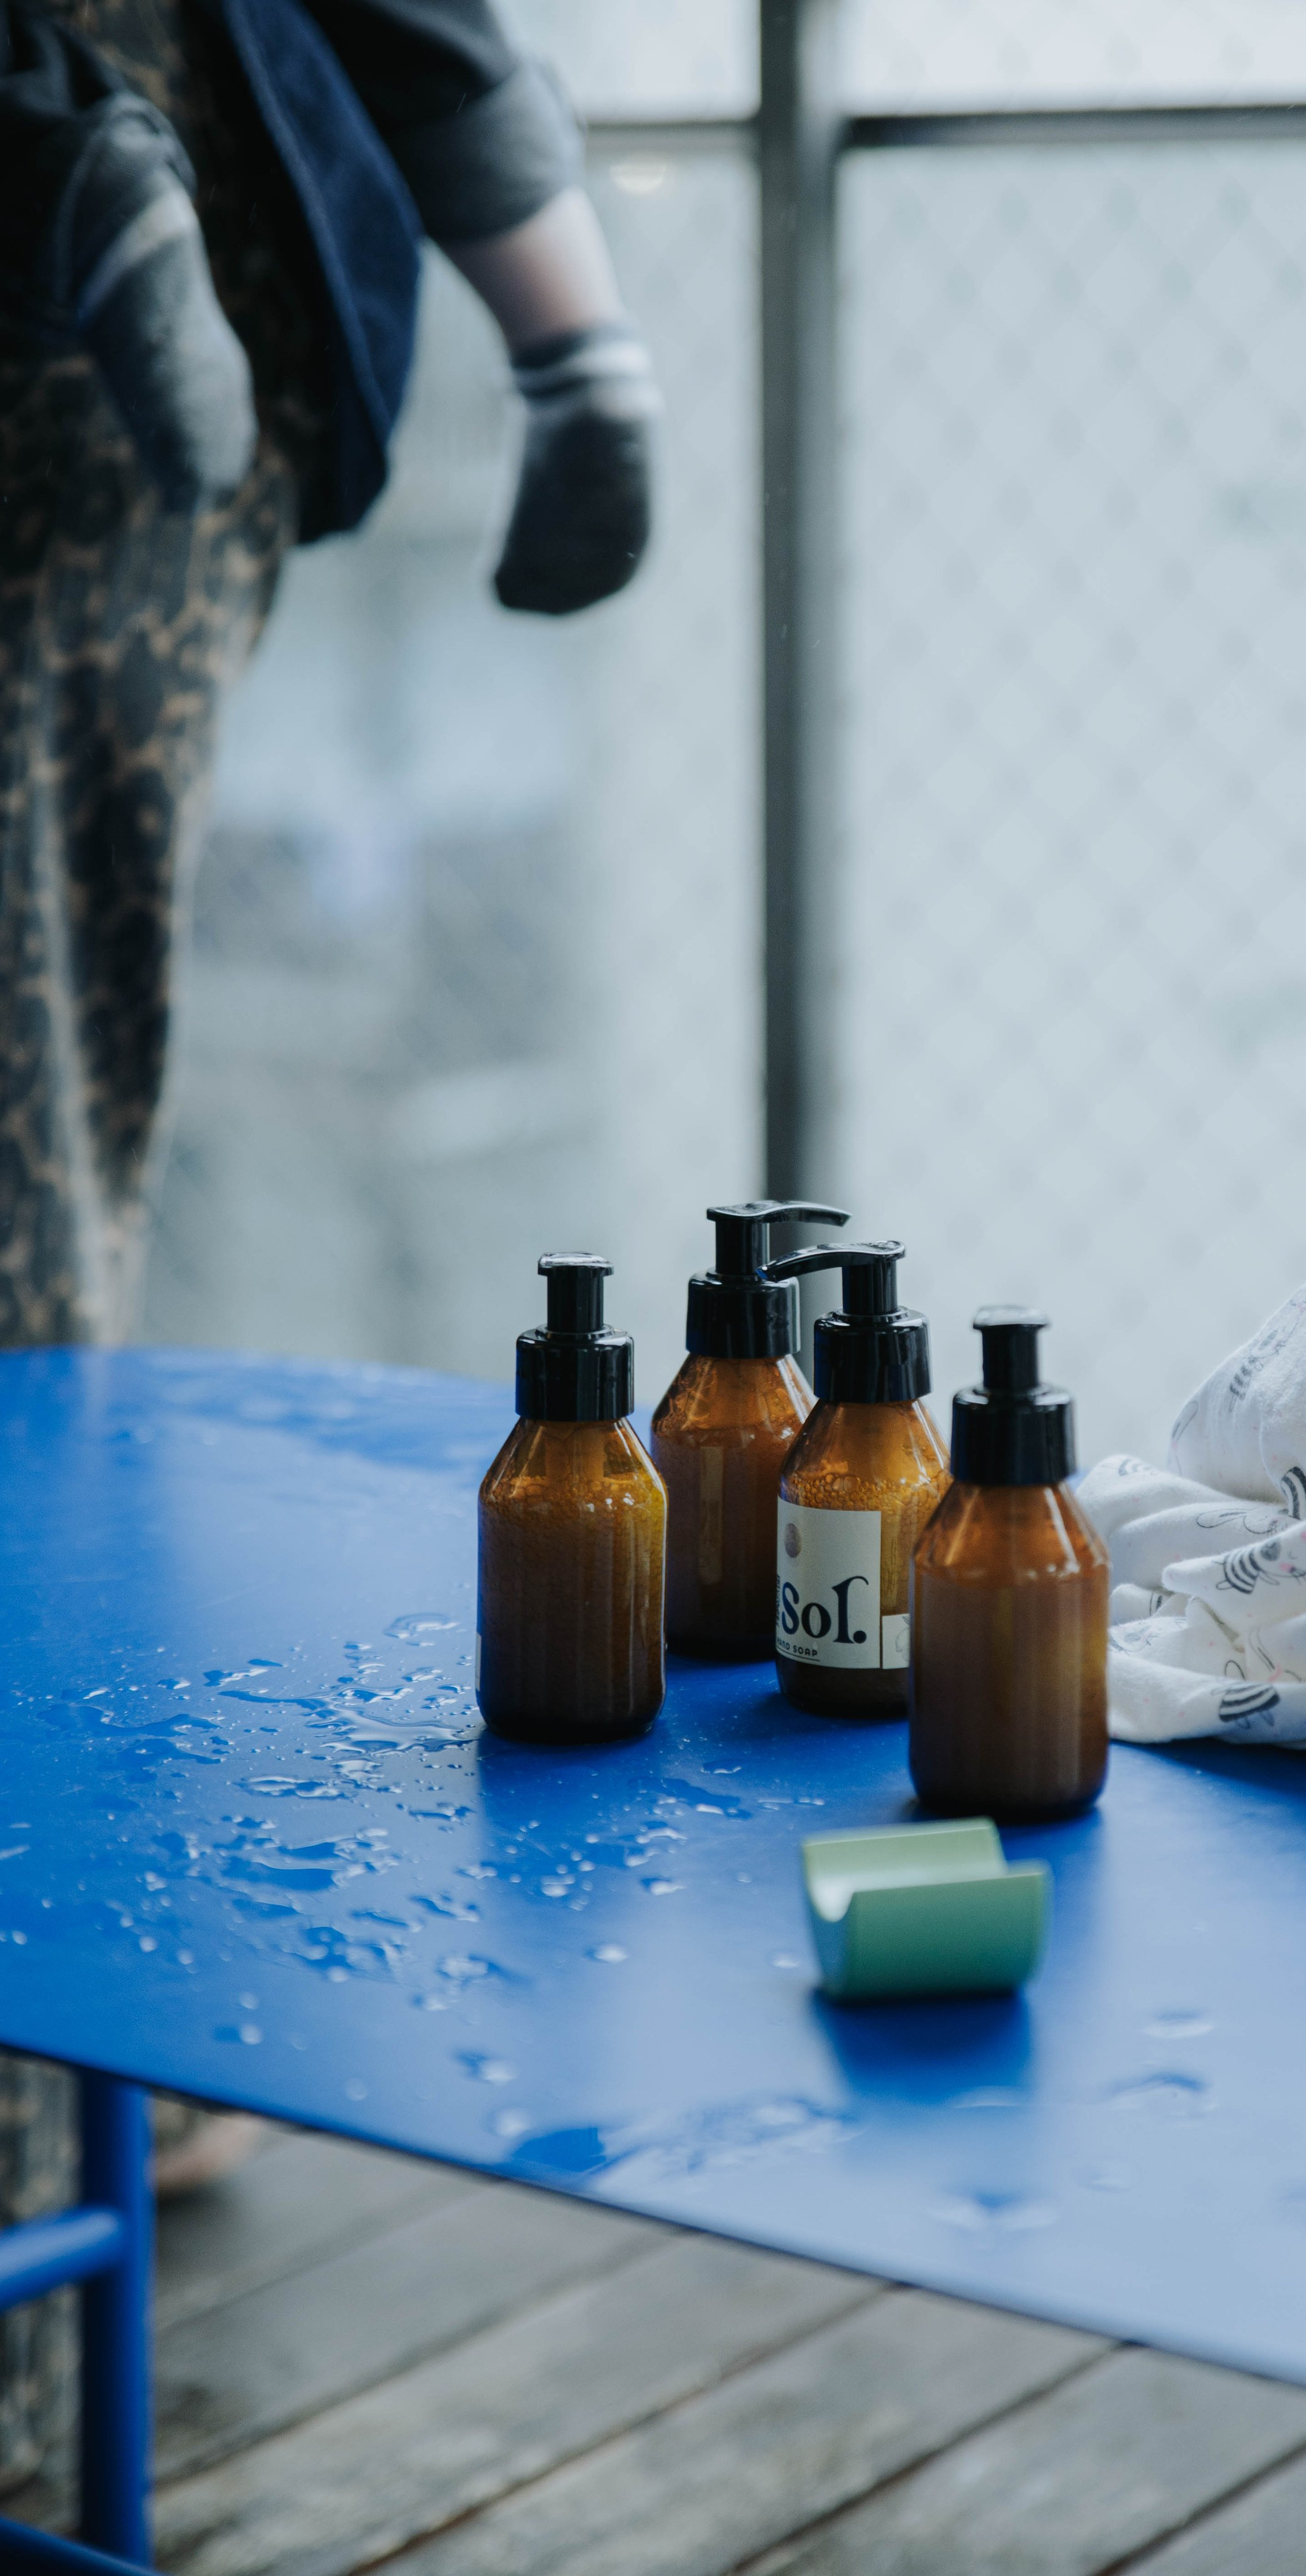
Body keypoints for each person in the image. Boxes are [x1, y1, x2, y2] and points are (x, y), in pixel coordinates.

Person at [0, 0, 656, 2505]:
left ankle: (30, 2260)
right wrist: (571, 332)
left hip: (107, 366)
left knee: (26, 1261)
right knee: (29, 1251)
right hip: (127, 350)